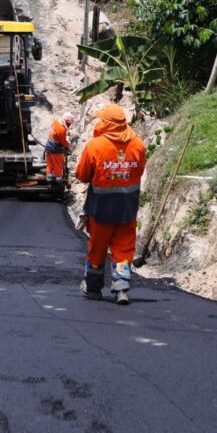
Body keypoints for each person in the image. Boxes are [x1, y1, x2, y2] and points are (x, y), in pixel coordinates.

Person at [74, 104, 146, 305]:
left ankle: (93, 288)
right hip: (127, 208)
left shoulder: (95, 146)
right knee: (123, 248)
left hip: (101, 209)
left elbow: (82, 175)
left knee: (97, 248)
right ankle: (121, 288)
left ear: (106, 123)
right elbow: (138, 171)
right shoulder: (138, 145)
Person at [45, 112, 76, 183]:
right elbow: (63, 142)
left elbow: (56, 134)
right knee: (58, 164)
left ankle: (49, 178)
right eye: (69, 123)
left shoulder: (56, 122)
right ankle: (58, 180)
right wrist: (69, 145)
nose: (69, 125)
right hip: (55, 148)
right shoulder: (62, 129)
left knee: (50, 164)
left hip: (49, 146)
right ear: (66, 121)